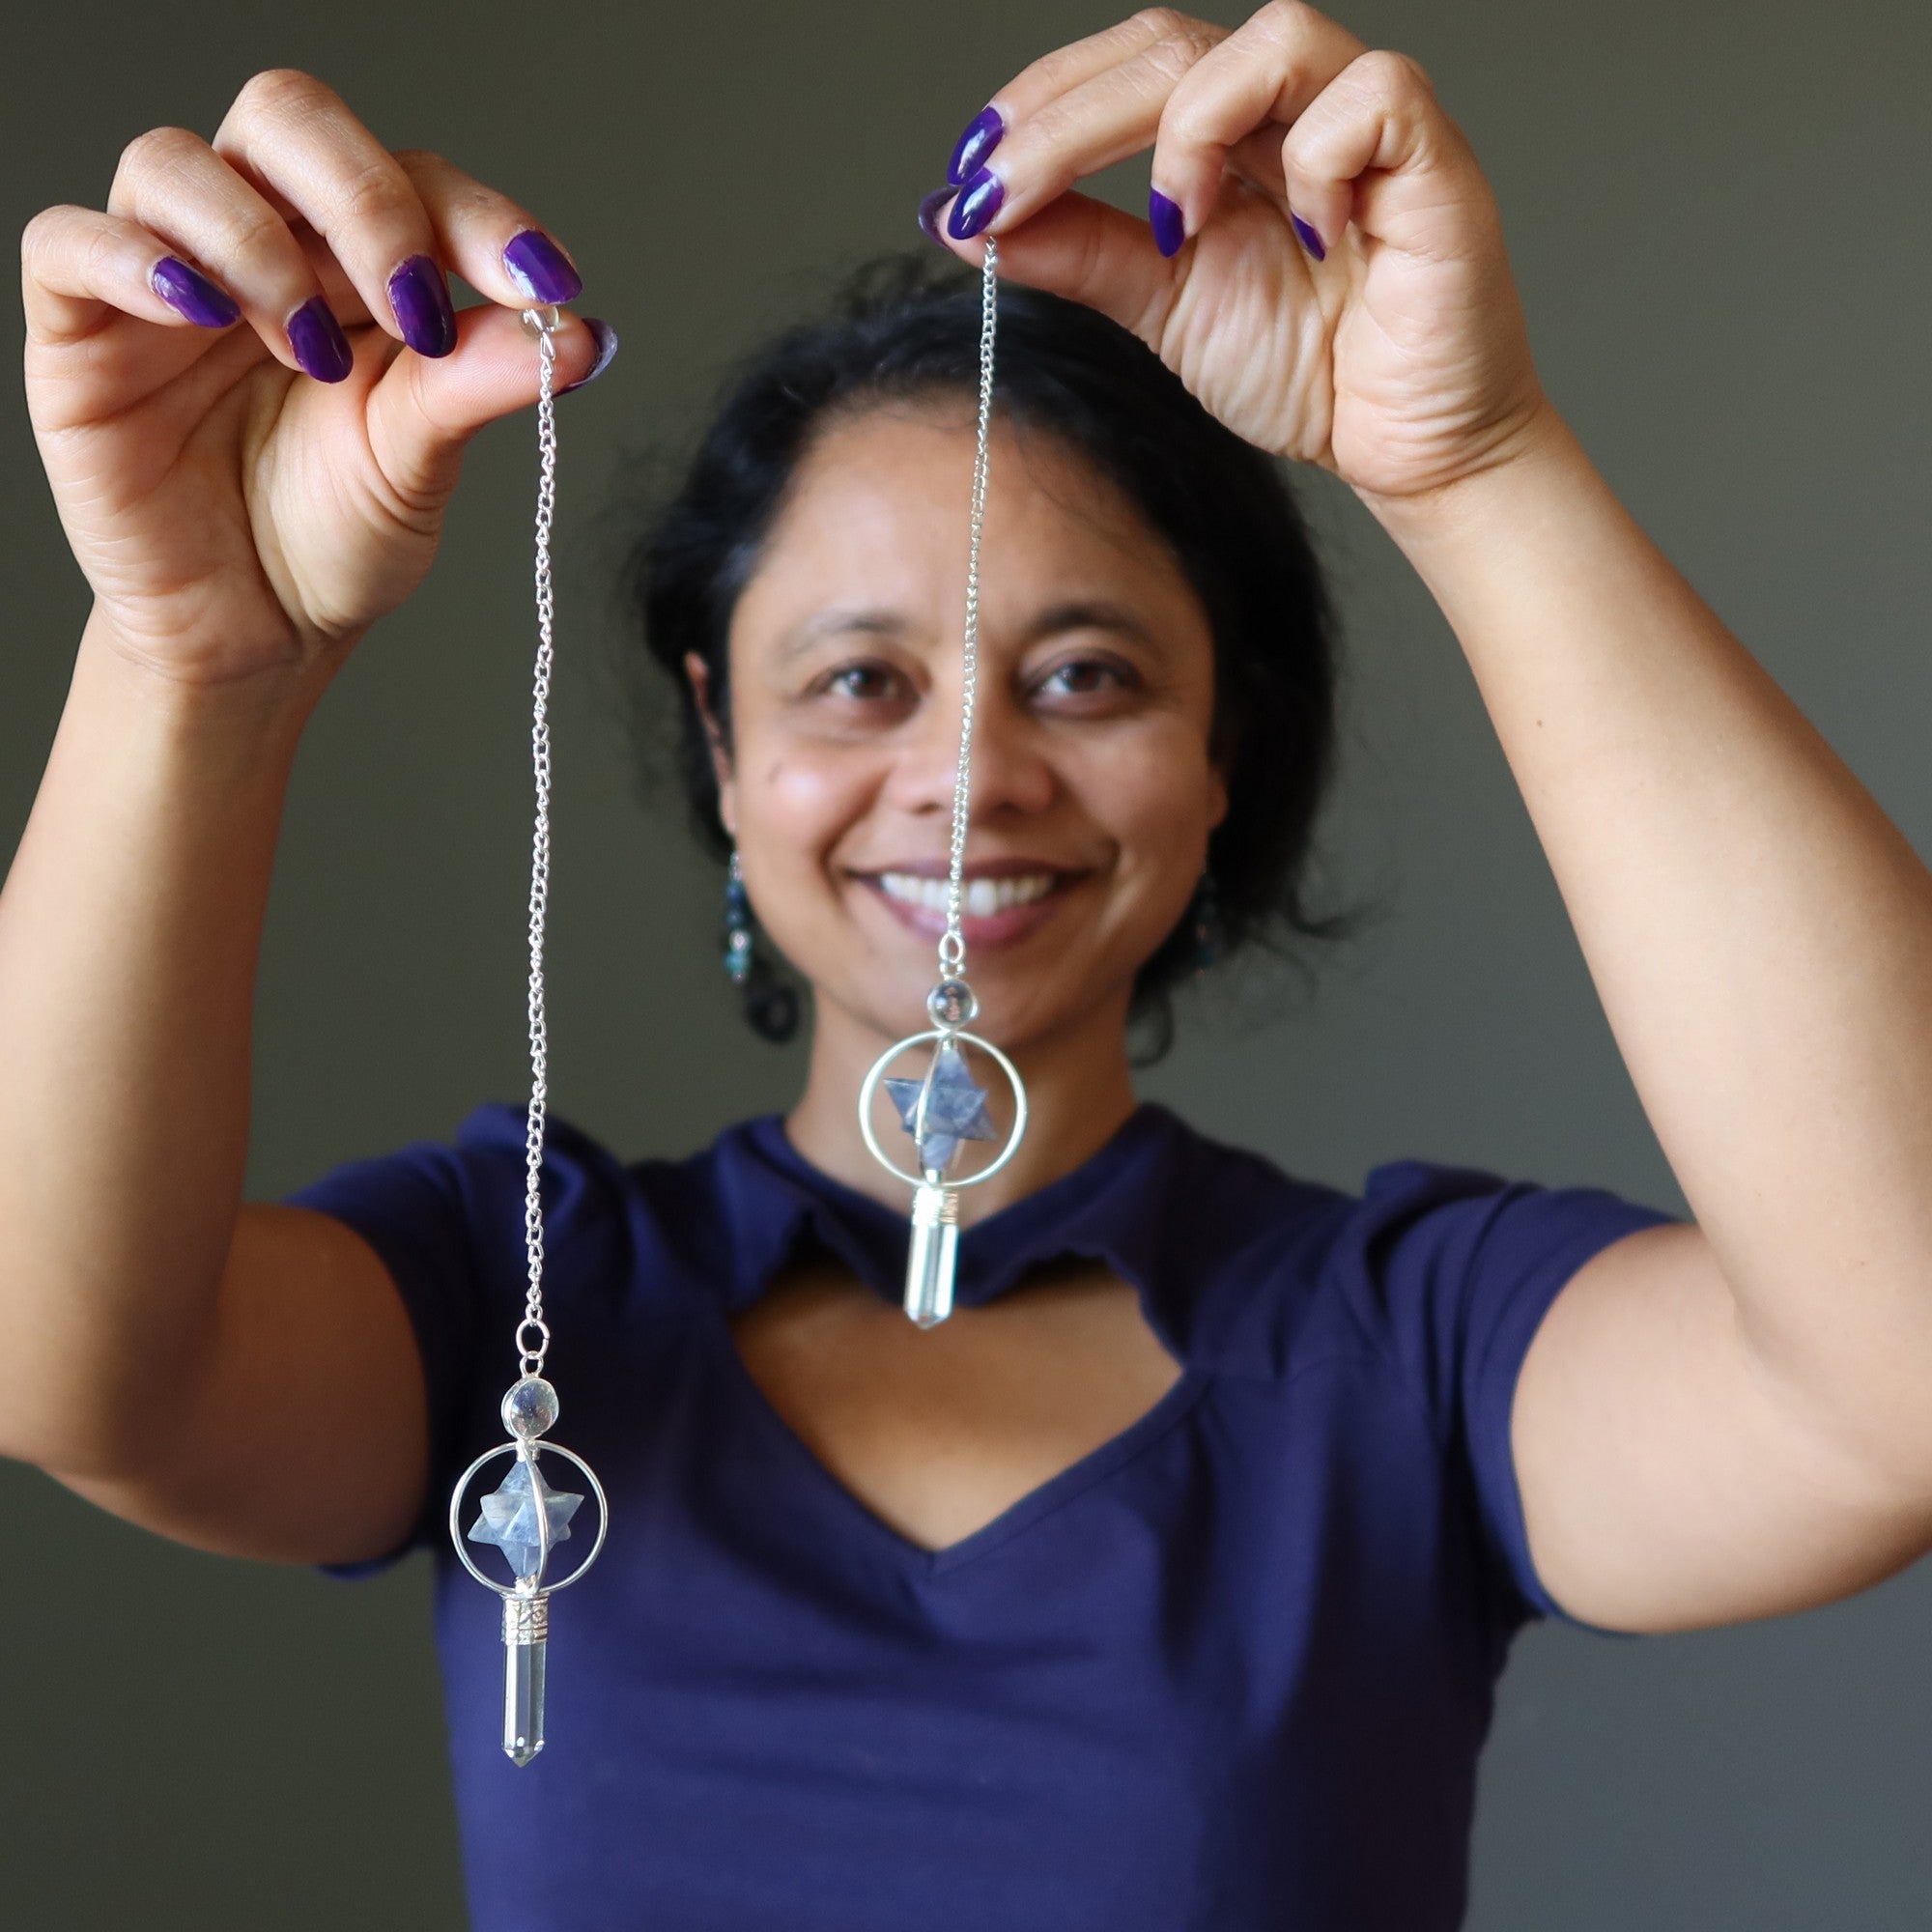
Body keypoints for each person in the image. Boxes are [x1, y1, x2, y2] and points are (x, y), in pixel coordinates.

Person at [9, 8, 1932, 1928]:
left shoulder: (1405, 1352)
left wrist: (1472, 462)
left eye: (1086, 674)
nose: (967, 774)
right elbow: (55, 1355)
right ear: (722, 744)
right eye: (860, 679)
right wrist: (193, 661)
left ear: (1217, 757)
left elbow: (1899, 1375)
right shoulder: (520, 1309)